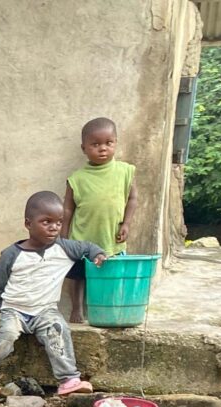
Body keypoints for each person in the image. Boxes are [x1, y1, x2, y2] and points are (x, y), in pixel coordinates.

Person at [0, 192, 106, 395]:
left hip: (45, 311)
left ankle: (69, 380)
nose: (54, 227)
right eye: (46, 222)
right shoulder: (11, 254)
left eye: (59, 223)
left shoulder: (65, 248)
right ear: (28, 223)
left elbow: (88, 247)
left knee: (58, 330)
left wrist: (98, 254)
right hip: (14, 311)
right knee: (6, 335)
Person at [62, 116, 138, 323]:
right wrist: (63, 238)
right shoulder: (76, 179)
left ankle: (111, 308)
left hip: (111, 237)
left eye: (108, 143)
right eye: (95, 144)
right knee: (78, 276)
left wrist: (127, 224)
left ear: (115, 143)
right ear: (83, 148)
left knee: (112, 274)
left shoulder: (125, 171)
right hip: (81, 238)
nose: (102, 148)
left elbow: (132, 199)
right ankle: (77, 310)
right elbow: (67, 210)